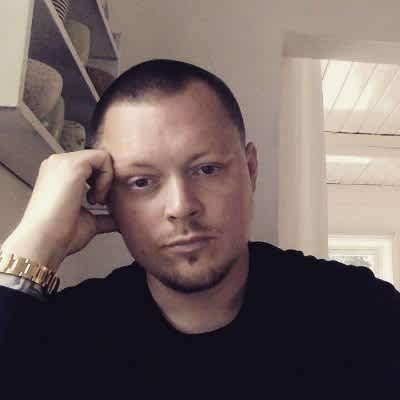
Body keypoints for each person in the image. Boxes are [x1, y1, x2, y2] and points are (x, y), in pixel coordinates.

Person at [0, 59, 399, 399]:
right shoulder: (68, 337)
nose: (181, 207)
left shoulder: (360, 313)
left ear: (250, 170)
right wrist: (36, 242)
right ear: (106, 196)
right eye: (141, 181)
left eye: (207, 169)